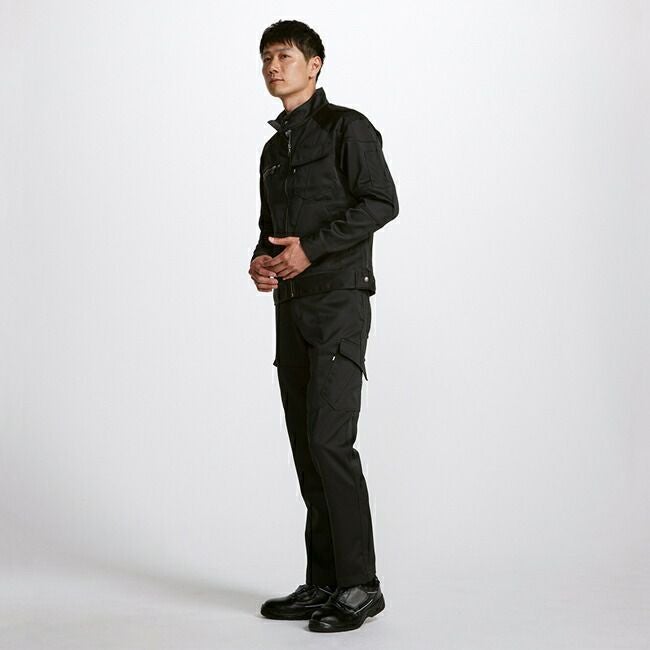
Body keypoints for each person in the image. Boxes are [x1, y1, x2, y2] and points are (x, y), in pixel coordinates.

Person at [248, 19, 399, 633]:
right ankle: (324, 582)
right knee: (306, 446)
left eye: (284, 56)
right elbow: (271, 227)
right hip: (291, 308)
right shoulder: (273, 149)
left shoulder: (347, 128)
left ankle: (362, 585)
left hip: (338, 304)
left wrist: (310, 250)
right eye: (266, 58)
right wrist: (261, 260)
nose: (272, 67)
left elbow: (381, 202)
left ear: (314, 65)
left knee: (331, 442)